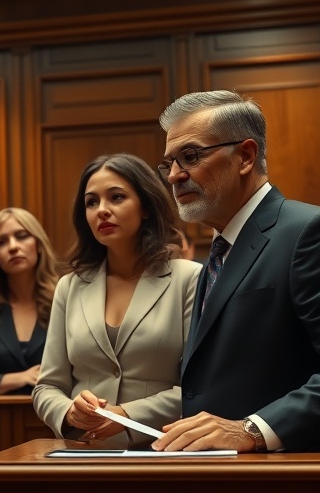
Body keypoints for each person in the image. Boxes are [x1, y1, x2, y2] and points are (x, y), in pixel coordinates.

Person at [153, 89, 320, 453]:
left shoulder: (311, 231)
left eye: (191, 156)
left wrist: (254, 429)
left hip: (300, 475)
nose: (175, 177)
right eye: (169, 163)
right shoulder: (216, 254)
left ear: (245, 155)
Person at [32, 154, 201, 449]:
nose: (102, 211)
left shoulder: (189, 279)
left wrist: (126, 415)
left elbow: (198, 387)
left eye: (117, 197)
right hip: (84, 455)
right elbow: (48, 387)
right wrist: (69, 412)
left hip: (163, 451)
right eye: (92, 202)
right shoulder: (70, 287)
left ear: (146, 206)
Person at [0, 207, 60, 395]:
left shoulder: (65, 301)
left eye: (21, 236)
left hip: (53, 418)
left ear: (38, 244)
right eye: (1, 242)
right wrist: (18, 378)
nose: (12, 246)